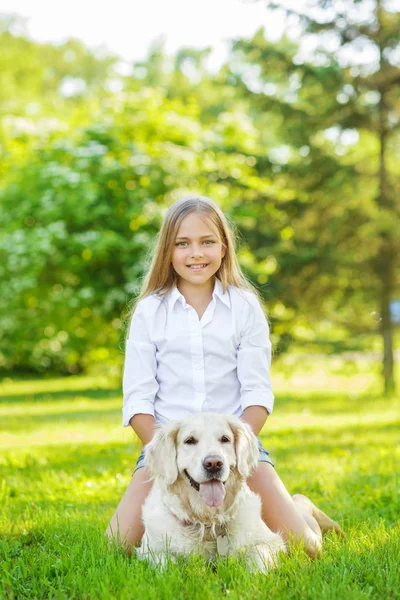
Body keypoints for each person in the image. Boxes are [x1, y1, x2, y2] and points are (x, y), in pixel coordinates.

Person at [106, 194, 341, 557]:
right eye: (183, 243)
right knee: (116, 546)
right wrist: (168, 458)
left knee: (306, 548)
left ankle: (302, 507)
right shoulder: (151, 310)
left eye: (207, 242)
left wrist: (235, 454)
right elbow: (137, 399)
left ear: (224, 247)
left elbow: (258, 396)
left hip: (234, 447)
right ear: (167, 250)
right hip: (171, 449)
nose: (196, 253)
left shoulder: (244, 306)